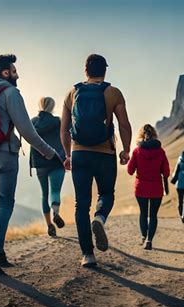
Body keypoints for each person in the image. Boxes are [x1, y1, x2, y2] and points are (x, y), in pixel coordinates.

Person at [0, 54, 58, 273]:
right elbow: (27, 131)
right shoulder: (10, 93)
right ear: (6, 73)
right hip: (6, 155)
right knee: (5, 203)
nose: (17, 74)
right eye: (14, 71)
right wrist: (50, 153)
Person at [61, 54, 132, 267]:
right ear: (105, 71)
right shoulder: (113, 92)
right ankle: (100, 217)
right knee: (106, 194)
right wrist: (126, 150)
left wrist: (67, 155)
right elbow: (124, 125)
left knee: (81, 204)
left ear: (86, 71)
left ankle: (87, 255)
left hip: (80, 154)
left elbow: (64, 129)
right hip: (105, 153)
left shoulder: (72, 93)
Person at [127, 124, 170, 250]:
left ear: (141, 135)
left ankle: (143, 236)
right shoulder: (161, 152)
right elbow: (166, 172)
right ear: (154, 135)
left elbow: (130, 170)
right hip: (156, 189)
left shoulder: (137, 151)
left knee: (143, 213)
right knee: (153, 215)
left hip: (141, 188)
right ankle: (149, 240)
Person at [30, 97, 66, 237]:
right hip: (56, 160)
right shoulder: (58, 121)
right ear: (53, 107)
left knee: (44, 194)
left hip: (39, 163)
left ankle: (49, 225)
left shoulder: (32, 122)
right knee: (55, 191)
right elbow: (66, 137)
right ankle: (56, 213)